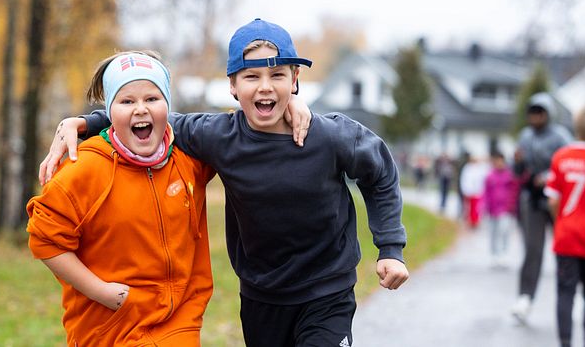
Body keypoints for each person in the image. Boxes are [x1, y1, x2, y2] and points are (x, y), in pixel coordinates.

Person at [40, 18, 409, 346]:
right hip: (262, 297)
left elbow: (380, 172)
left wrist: (390, 248)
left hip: (327, 292)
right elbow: (152, 113)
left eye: (278, 75)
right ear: (232, 86)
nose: (265, 87)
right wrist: (84, 122)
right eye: (252, 77)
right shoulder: (218, 136)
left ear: (295, 81)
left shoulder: (329, 137)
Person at [25, 51, 217, 346]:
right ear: (110, 111)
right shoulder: (84, 168)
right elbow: (45, 240)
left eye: (152, 99)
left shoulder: (190, 159)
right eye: (127, 101)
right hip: (108, 330)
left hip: (179, 325)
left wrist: (291, 103)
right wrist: (102, 292)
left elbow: (245, 131)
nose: (141, 109)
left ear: (167, 105)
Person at [511, 92, 572, 323]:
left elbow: (567, 166)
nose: (536, 117)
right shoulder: (525, 137)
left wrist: (548, 177)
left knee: (564, 248)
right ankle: (525, 297)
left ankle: (568, 295)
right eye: (532, 112)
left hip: (556, 200)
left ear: (548, 113)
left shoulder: (560, 136)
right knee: (533, 249)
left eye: (541, 112)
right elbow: (516, 172)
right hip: (532, 200)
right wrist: (517, 162)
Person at [544, 104, 585, 347]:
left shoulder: (562, 156)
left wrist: (560, 220)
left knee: (565, 293)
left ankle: (565, 342)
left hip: (568, 236)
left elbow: (553, 199)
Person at [481, 151, 518, 267]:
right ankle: (494, 254)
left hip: (505, 209)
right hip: (492, 209)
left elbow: (514, 191)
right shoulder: (490, 176)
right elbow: (486, 192)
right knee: (493, 233)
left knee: (504, 231)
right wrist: (485, 206)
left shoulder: (509, 175)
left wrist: (512, 206)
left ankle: (503, 253)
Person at [459, 156, 489, 228]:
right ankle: (470, 221)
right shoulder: (467, 168)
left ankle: (475, 221)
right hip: (469, 191)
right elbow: (465, 180)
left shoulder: (481, 168)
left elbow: (483, 179)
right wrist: (465, 190)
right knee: (469, 207)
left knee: (476, 208)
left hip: (478, 191)